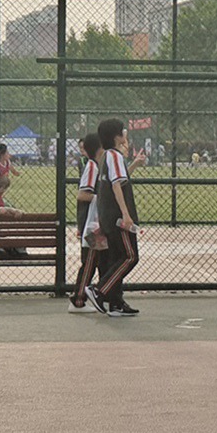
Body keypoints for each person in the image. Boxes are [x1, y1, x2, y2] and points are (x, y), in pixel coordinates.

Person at [86, 119, 141, 317]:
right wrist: (126, 214)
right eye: (122, 131)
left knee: (117, 258)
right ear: (117, 136)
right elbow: (117, 186)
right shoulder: (115, 156)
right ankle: (100, 290)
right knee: (130, 256)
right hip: (117, 217)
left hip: (108, 215)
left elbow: (115, 182)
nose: (125, 134)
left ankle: (116, 302)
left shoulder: (107, 157)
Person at [69, 133, 105, 314]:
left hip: (98, 221)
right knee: (90, 261)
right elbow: (82, 195)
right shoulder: (92, 167)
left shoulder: (100, 166)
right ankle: (78, 300)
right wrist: (103, 199)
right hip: (92, 223)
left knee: (101, 261)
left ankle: (103, 296)